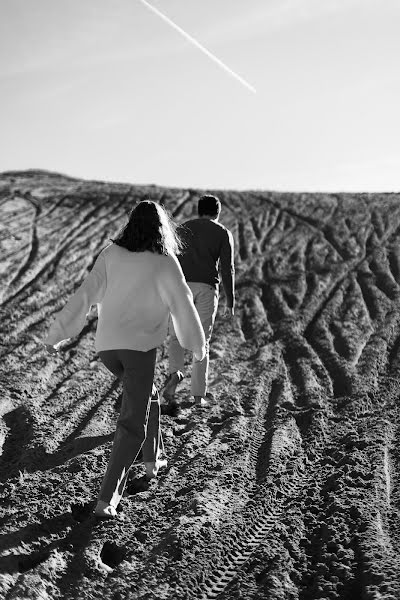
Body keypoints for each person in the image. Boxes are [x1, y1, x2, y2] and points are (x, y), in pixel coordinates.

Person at [43, 200, 206, 519]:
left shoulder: (111, 254)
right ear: (163, 228)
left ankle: (153, 460)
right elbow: (183, 307)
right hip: (138, 350)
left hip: (108, 348)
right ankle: (108, 500)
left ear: (131, 224)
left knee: (149, 396)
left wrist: (57, 334)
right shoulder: (165, 261)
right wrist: (197, 347)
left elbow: (86, 294)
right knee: (132, 425)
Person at [163, 194, 235, 410]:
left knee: (176, 336)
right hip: (206, 288)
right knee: (201, 341)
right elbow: (227, 268)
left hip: (180, 287)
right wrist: (230, 300)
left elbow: (169, 258)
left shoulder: (182, 229)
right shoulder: (222, 232)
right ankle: (197, 396)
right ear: (217, 212)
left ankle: (174, 375)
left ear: (198, 210)